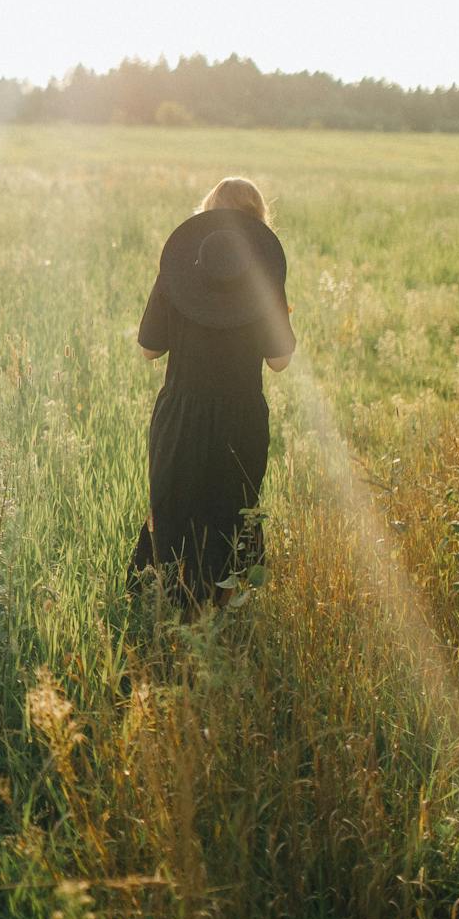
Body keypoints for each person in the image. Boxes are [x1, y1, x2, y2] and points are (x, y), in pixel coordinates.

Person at [130, 177, 295, 614]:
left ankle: (170, 605)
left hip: (181, 413)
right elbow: (279, 361)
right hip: (241, 418)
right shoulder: (262, 279)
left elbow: (149, 349)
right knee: (232, 511)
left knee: (174, 507)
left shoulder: (179, 272)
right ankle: (225, 608)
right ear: (259, 223)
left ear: (207, 215)